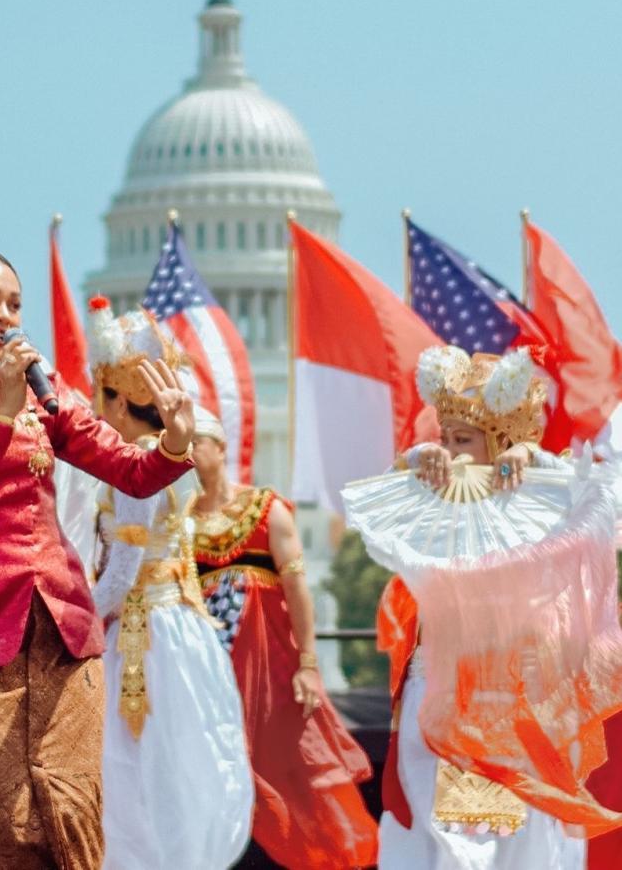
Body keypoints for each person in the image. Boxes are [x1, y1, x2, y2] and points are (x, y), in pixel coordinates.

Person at [0, 249, 195, 870]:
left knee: (72, 811)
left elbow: (131, 472)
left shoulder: (48, 398)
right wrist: (0, 411)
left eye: (15, 304)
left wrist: (175, 440)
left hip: (64, 632)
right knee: (7, 823)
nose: (6, 315)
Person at [341, 345, 622, 870]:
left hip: (516, 690)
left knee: (523, 831)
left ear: (501, 441)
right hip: (441, 684)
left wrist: (535, 460)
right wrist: (411, 460)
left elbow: (606, 502)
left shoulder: (539, 501)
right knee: (442, 830)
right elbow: (376, 505)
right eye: (445, 439)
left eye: (463, 439)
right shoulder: (430, 499)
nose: (450, 450)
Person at [87, 297, 254, 870]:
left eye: (100, 392)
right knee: (175, 764)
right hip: (176, 630)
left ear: (118, 399)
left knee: (134, 769)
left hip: (142, 636)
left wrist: (68, 617)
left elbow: (121, 576)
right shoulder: (165, 458)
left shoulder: (139, 462)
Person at [188, 408, 379, 870]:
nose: (188, 453)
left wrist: (310, 664)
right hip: (210, 676)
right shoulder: (182, 523)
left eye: (196, 442)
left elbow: (297, 588)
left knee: (298, 771)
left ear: (220, 447)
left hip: (271, 671)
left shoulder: (265, 508)